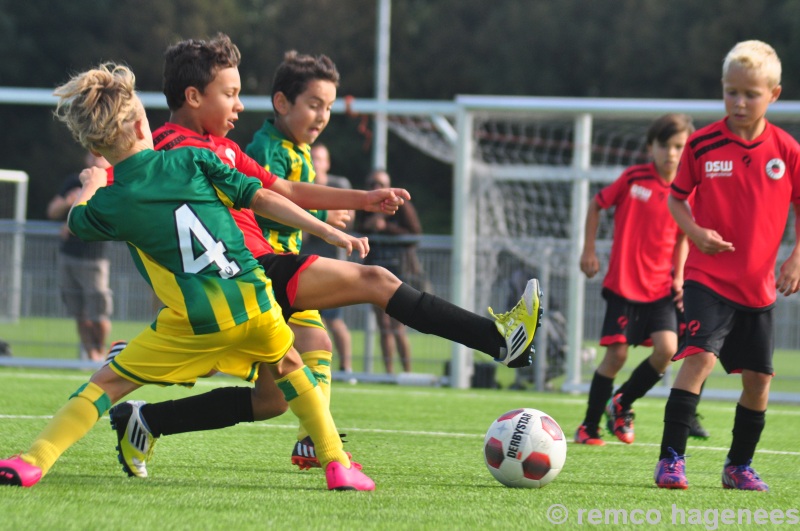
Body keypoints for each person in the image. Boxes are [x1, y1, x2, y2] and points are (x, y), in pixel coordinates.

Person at [104, 34, 542, 479]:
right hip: (253, 269)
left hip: (257, 275)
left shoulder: (224, 148)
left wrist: (366, 198)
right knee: (376, 282)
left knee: (273, 398)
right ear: (194, 96)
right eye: (231, 94)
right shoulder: (172, 150)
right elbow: (149, 215)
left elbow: (287, 190)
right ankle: (499, 340)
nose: (238, 106)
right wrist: (325, 226)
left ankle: (146, 421)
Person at [0, 63, 377, 490]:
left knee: (106, 383)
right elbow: (262, 197)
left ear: (95, 146)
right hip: (253, 299)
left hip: (193, 321)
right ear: (143, 122)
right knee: (292, 366)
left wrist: (91, 182)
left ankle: (33, 461)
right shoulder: (193, 158)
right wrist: (325, 229)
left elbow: (78, 220)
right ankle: (337, 465)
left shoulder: (112, 202)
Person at [655, 40, 800, 491]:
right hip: (708, 278)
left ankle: (738, 466)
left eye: (750, 94)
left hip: (757, 288)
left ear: (773, 94)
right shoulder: (702, 145)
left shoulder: (787, 151)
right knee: (697, 358)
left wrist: (796, 257)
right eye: (730, 91)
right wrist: (696, 234)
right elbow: (676, 200)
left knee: (758, 381)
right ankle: (672, 460)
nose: (739, 101)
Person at [573, 113, 710, 446]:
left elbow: (680, 239)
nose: (672, 153)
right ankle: (589, 426)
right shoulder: (634, 179)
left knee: (668, 349)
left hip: (661, 288)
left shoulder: (686, 194)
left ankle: (622, 403)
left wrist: (678, 278)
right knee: (616, 356)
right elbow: (596, 205)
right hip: (623, 284)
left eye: (679, 146)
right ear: (651, 146)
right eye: (665, 145)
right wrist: (588, 250)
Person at [47, 152, 113, 362]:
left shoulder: (112, 183)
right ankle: (91, 355)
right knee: (80, 314)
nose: (96, 160)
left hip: (94, 259)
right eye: (92, 156)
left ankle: (100, 350)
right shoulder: (73, 182)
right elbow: (52, 211)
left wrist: (72, 224)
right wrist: (69, 202)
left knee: (98, 315)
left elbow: (108, 217)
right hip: (69, 256)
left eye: (101, 156)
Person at [356, 169, 423, 374]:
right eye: (371, 183)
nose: (375, 187)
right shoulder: (364, 205)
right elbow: (357, 228)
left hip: (399, 269)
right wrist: (369, 225)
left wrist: (386, 227)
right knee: (382, 325)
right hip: (375, 269)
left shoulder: (402, 206)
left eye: (379, 183)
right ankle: (389, 371)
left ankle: (407, 371)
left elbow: (415, 232)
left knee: (397, 325)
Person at [305, 142, 355, 380]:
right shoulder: (301, 184)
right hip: (306, 262)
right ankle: (314, 367)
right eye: (312, 157)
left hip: (333, 263)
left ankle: (347, 368)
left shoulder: (339, 184)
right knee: (311, 320)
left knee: (335, 321)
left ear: (328, 162)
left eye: (320, 158)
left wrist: (324, 220)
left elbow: (349, 216)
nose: (315, 162)